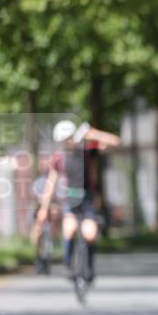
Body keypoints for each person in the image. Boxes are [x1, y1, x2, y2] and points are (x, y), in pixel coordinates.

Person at [36, 120, 121, 283]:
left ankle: (88, 268)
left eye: (69, 138)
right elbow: (51, 183)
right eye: (63, 140)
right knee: (70, 229)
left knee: (90, 234)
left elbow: (116, 142)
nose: (67, 142)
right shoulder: (59, 159)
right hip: (71, 199)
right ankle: (68, 265)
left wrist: (94, 133)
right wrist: (43, 208)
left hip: (88, 199)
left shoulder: (88, 151)